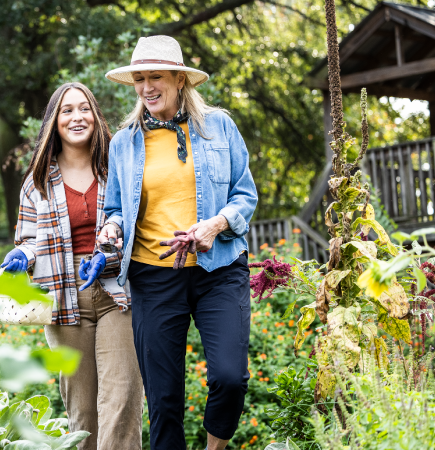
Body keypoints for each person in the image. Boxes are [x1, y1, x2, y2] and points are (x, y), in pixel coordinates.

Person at [89, 35, 258, 450]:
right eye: (139, 79)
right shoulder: (125, 141)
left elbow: (245, 195)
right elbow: (114, 208)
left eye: (156, 77)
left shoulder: (219, 126)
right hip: (153, 277)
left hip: (218, 269)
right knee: (164, 399)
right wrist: (111, 227)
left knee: (229, 377)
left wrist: (214, 225)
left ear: (180, 80)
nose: (147, 87)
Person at [0, 82, 143, 450]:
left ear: (95, 117)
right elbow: (28, 241)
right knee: (83, 414)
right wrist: (23, 257)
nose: (77, 117)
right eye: (67, 110)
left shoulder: (119, 169)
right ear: (54, 121)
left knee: (122, 403)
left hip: (118, 293)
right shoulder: (36, 182)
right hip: (63, 299)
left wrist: (108, 254)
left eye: (84, 109)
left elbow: (138, 227)